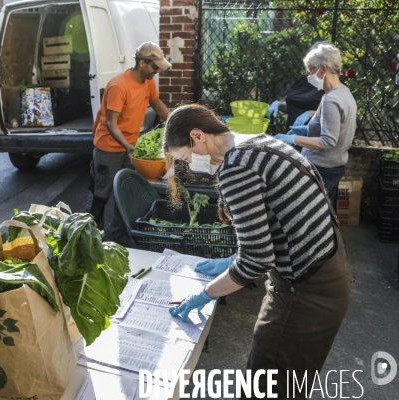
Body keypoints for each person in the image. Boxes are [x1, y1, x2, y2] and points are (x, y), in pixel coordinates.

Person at [164, 104, 351, 398]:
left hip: (306, 294)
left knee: (265, 387)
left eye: (186, 158)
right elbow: (277, 224)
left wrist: (206, 294)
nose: (189, 166)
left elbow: (257, 260)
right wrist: (233, 259)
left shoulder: (236, 167)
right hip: (327, 273)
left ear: (198, 135)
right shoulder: (256, 142)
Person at [86, 41, 170, 245]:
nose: (157, 71)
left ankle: (117, 235)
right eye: (155, 67)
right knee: (101, 194)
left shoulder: (147, 81)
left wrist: (174, 121)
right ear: (142, 63)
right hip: (109, 148)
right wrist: (127, 146)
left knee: (124, 193)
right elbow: (110, 123)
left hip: (129, 147)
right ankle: (86, 237)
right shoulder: (118, 86)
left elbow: (156, 103)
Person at [275, 43, 357, 209]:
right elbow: (334, 128)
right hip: (333, 166)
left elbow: (328, 142)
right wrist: (306, 129)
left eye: (311, 69)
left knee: (313, 218)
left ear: (323, 69)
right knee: (326, 217)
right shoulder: (343, 93)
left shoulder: (331, 100)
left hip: (322, 169)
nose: (308, 73)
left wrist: (293, 139)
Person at [266, 42, 330, 132]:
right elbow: (295, 106)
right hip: (292, 134)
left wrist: (311, 113)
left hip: (312, 138)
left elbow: (332, 115)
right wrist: (279, 104)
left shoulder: (331, 86)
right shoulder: (304, 80)